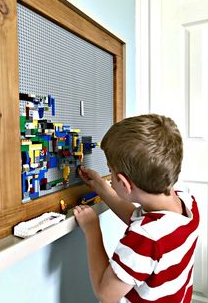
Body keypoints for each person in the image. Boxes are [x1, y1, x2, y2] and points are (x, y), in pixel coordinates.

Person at [73, 114, 200, 303]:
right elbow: (138, 218)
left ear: (124, 184)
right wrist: (102, 187)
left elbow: (105, 293)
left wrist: (92, 229)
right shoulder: (186, 201)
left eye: (110, 171)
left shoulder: (145, 238)